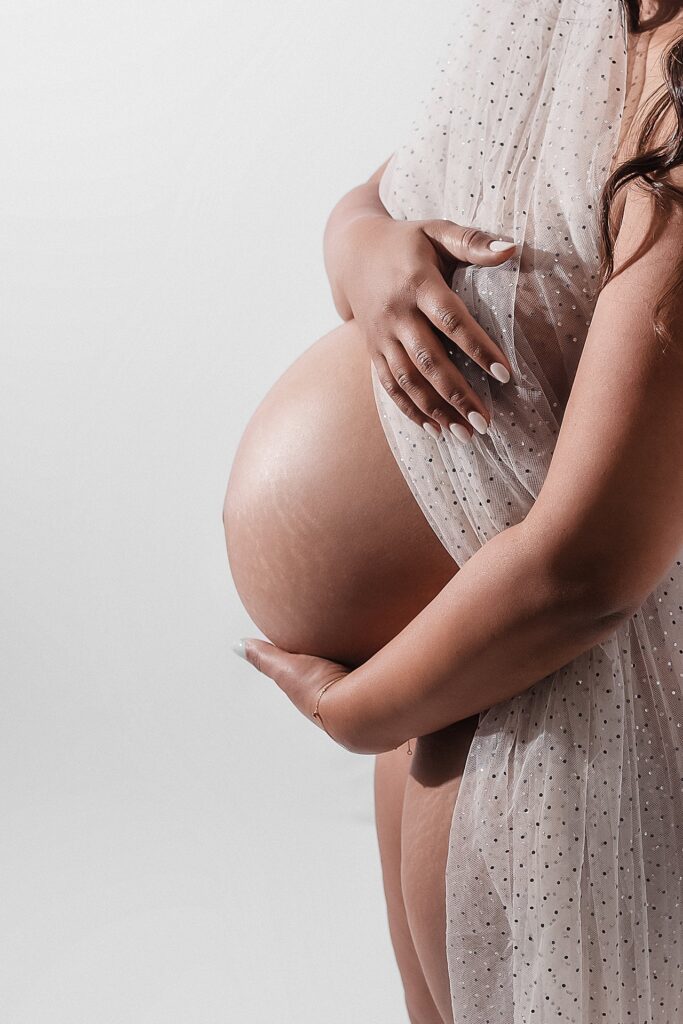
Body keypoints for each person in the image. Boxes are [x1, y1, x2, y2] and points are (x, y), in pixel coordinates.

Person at [227, 0, 683, 1019]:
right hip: (455, 689)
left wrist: (356, 711)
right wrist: (365, 250)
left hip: (559, 727)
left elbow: (584, 575)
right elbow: (384, 193)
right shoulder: (567, 16)